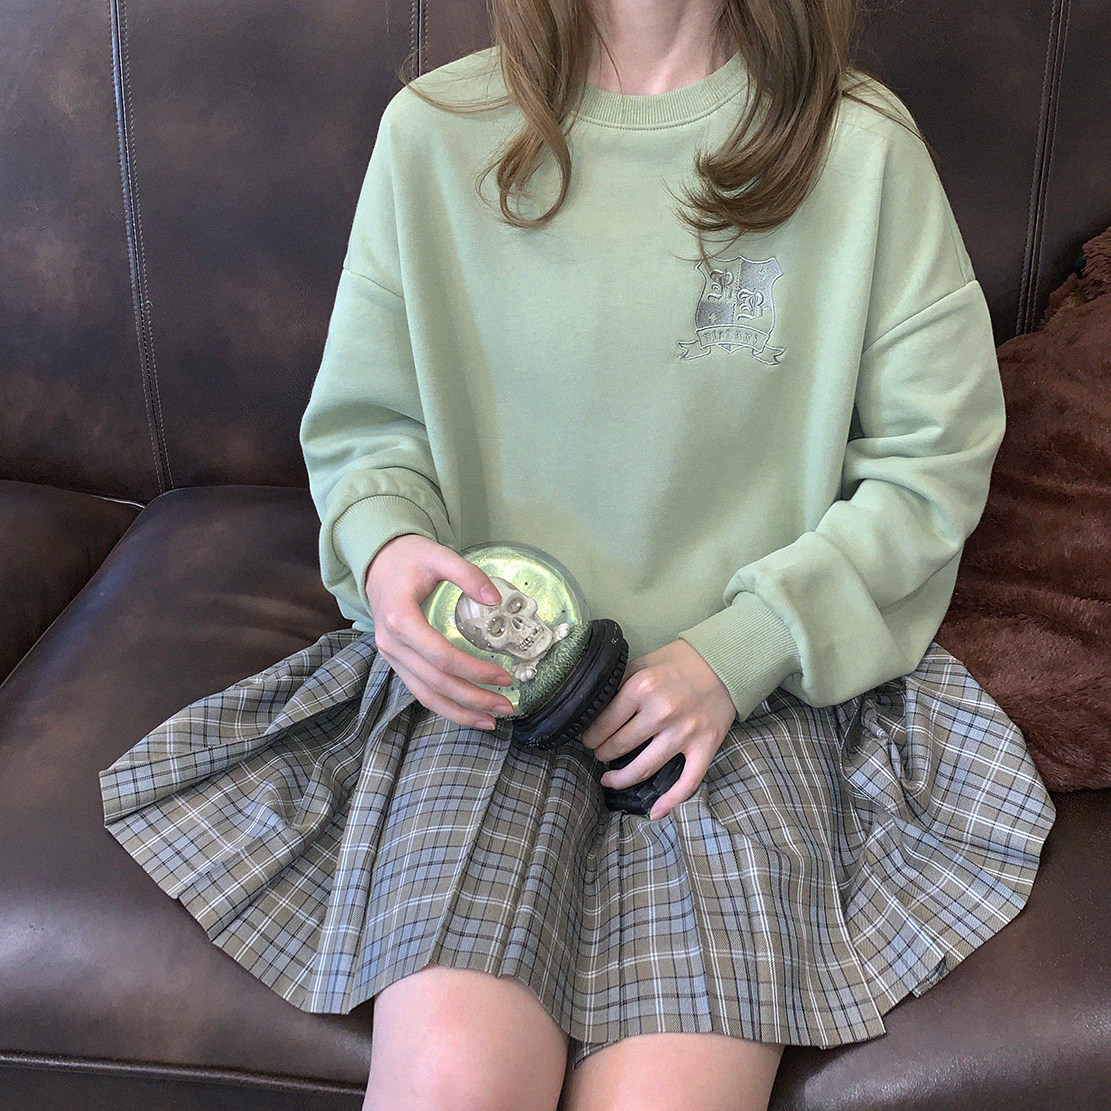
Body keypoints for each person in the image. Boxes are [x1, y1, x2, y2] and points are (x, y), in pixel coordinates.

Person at [98, 0, 1058, 1108]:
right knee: (452, 1078)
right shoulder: (433, 132)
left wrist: (741, 649)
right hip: (486, 697)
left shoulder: (860, 147)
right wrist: (388, 547)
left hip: (747, 708)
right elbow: (370, 432)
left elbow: (932, 460)